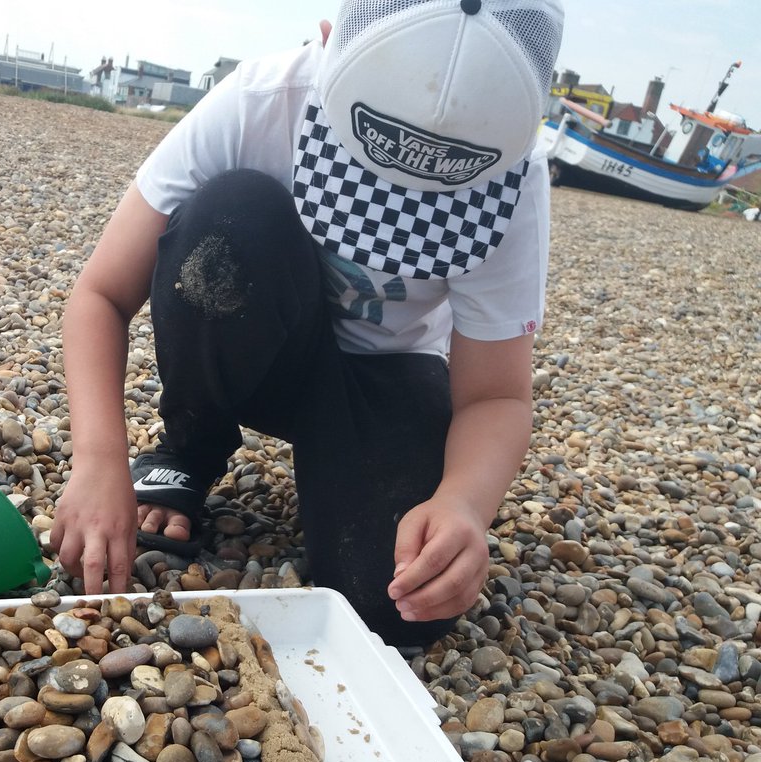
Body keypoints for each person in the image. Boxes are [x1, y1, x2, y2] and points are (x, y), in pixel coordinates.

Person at [50, 0, 565, 648]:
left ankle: (343, 463)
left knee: (399, 604)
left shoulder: (515, 185)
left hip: (381, 374)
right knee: (232, 215)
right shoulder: (262, 100)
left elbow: (495, 395)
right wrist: (99, 461)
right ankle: (189, 448)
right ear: (328, 42)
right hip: (255, 345)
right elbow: (101, 294)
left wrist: (463, 504)